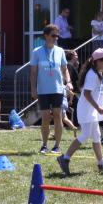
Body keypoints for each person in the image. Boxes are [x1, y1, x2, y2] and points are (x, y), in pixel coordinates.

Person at [56, 48, 103, 176]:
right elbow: (87, 94)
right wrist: (98, 107)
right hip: (87, 110)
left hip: (91, 111)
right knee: (85, 134)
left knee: (96, 136)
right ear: (98, 61)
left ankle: (101, 164)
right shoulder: (92, 75)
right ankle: (65, 158)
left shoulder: (97, 73)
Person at [30, 25, 72, 155]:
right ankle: (44, 145)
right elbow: (33, 72)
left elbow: (65, 69)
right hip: (43, 90)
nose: (56, 38)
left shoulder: (60, 51)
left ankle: (57, 146)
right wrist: (33, 89)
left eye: (57, 36)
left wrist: (69, 82)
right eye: (53, 35)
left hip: (58, 89)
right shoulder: (37, 51)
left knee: (58, 116)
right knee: (45, 118)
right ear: (46, 36)